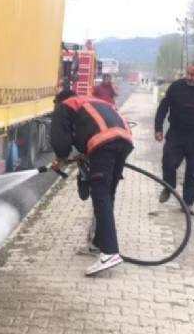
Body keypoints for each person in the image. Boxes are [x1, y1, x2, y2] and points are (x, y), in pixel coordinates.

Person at [50, 89, 133, 276]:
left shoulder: (64, 106)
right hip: (124, 141)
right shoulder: (92, 102)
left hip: (103, 144)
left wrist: (59, 159)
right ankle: (99, 242)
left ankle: (110, 252)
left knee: (100, 194)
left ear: (59, 101)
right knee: (108, 193)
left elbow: (61, 141)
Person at [154, 61, 194, 215]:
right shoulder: (176, 87)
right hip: (176, 133)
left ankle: (188, 203)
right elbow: (163, 108)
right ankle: (169, 186)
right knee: (168, 163)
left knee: (192, 171)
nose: (189, 77)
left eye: (193, 75)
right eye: (188, 73)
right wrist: (158, 128)